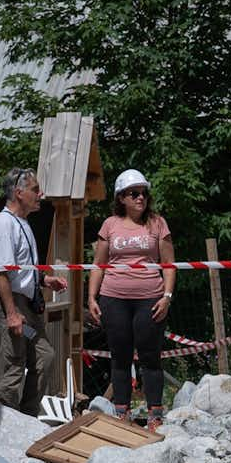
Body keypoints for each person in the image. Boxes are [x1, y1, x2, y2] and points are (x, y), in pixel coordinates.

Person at [87, 168, 175, 424]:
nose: (140, 198)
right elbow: (98, 264)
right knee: (120, 356)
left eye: (143, 193)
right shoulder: (110, 225)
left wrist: (167, 297)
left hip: (150, 297)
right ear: (121, 198)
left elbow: (169, 263)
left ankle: (155, 413)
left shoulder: (157, 223)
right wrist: (92, 298)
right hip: (113, 298)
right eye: (133, 193)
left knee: (150, 356)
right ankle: (121, 413)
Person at [0, 167, 65, 414]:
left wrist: (43, 280)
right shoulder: (3, 224)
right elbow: (1, 273)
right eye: (34, 189)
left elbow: (19, 268)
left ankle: (27, 414)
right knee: (15, 363)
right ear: (19, 193)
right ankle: (2, 417)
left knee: (44, 355)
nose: (40, 194)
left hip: (28, 306)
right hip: (13, 304)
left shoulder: (22, 223)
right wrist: (11, 313)